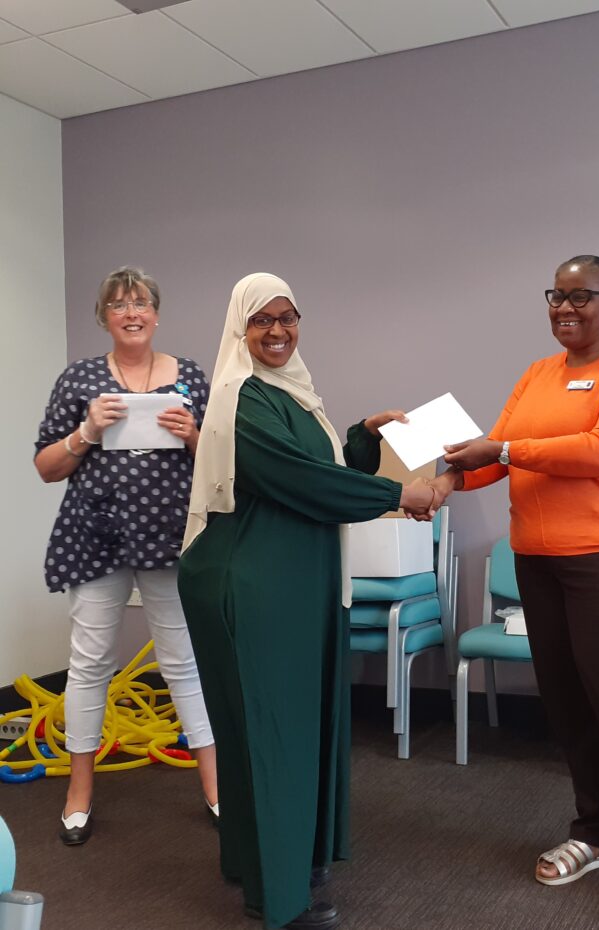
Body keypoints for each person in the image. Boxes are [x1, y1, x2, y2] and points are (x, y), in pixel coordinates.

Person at [430, 255, 599, 926]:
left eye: (582, 296)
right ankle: (595, 834)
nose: (566, 307)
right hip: (542, 561)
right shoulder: (539, 373)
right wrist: (441, 483)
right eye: (557, 295)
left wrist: (501, 453)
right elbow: (498, 452)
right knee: (570, 704)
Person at [177, 273, 435, 930]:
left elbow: (319, 467)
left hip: (294, 581)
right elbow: (293, 478)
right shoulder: (241, 398)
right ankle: (279, 897)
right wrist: (394, 495)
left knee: (292, 728)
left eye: (287, 318)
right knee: (272, 734)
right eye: (261, 320)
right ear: (240, 328)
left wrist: (361, 435)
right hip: (254, 583)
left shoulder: (293, 394)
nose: (277, 331)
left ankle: (282, 862)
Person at [34, 266, 218, 846]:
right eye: (119, 305)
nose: (131, 312)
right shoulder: (79, 380)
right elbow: (45, 467)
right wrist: (86, 431)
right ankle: (79, 791)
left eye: (141, 302)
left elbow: (224, 463)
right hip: (97, 535)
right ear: (104, 318)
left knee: (184, 661)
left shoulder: (189, 376)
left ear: (157, 314)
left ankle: (217, 787)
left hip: (170, 537)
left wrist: (194, 434)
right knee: (89, 664)